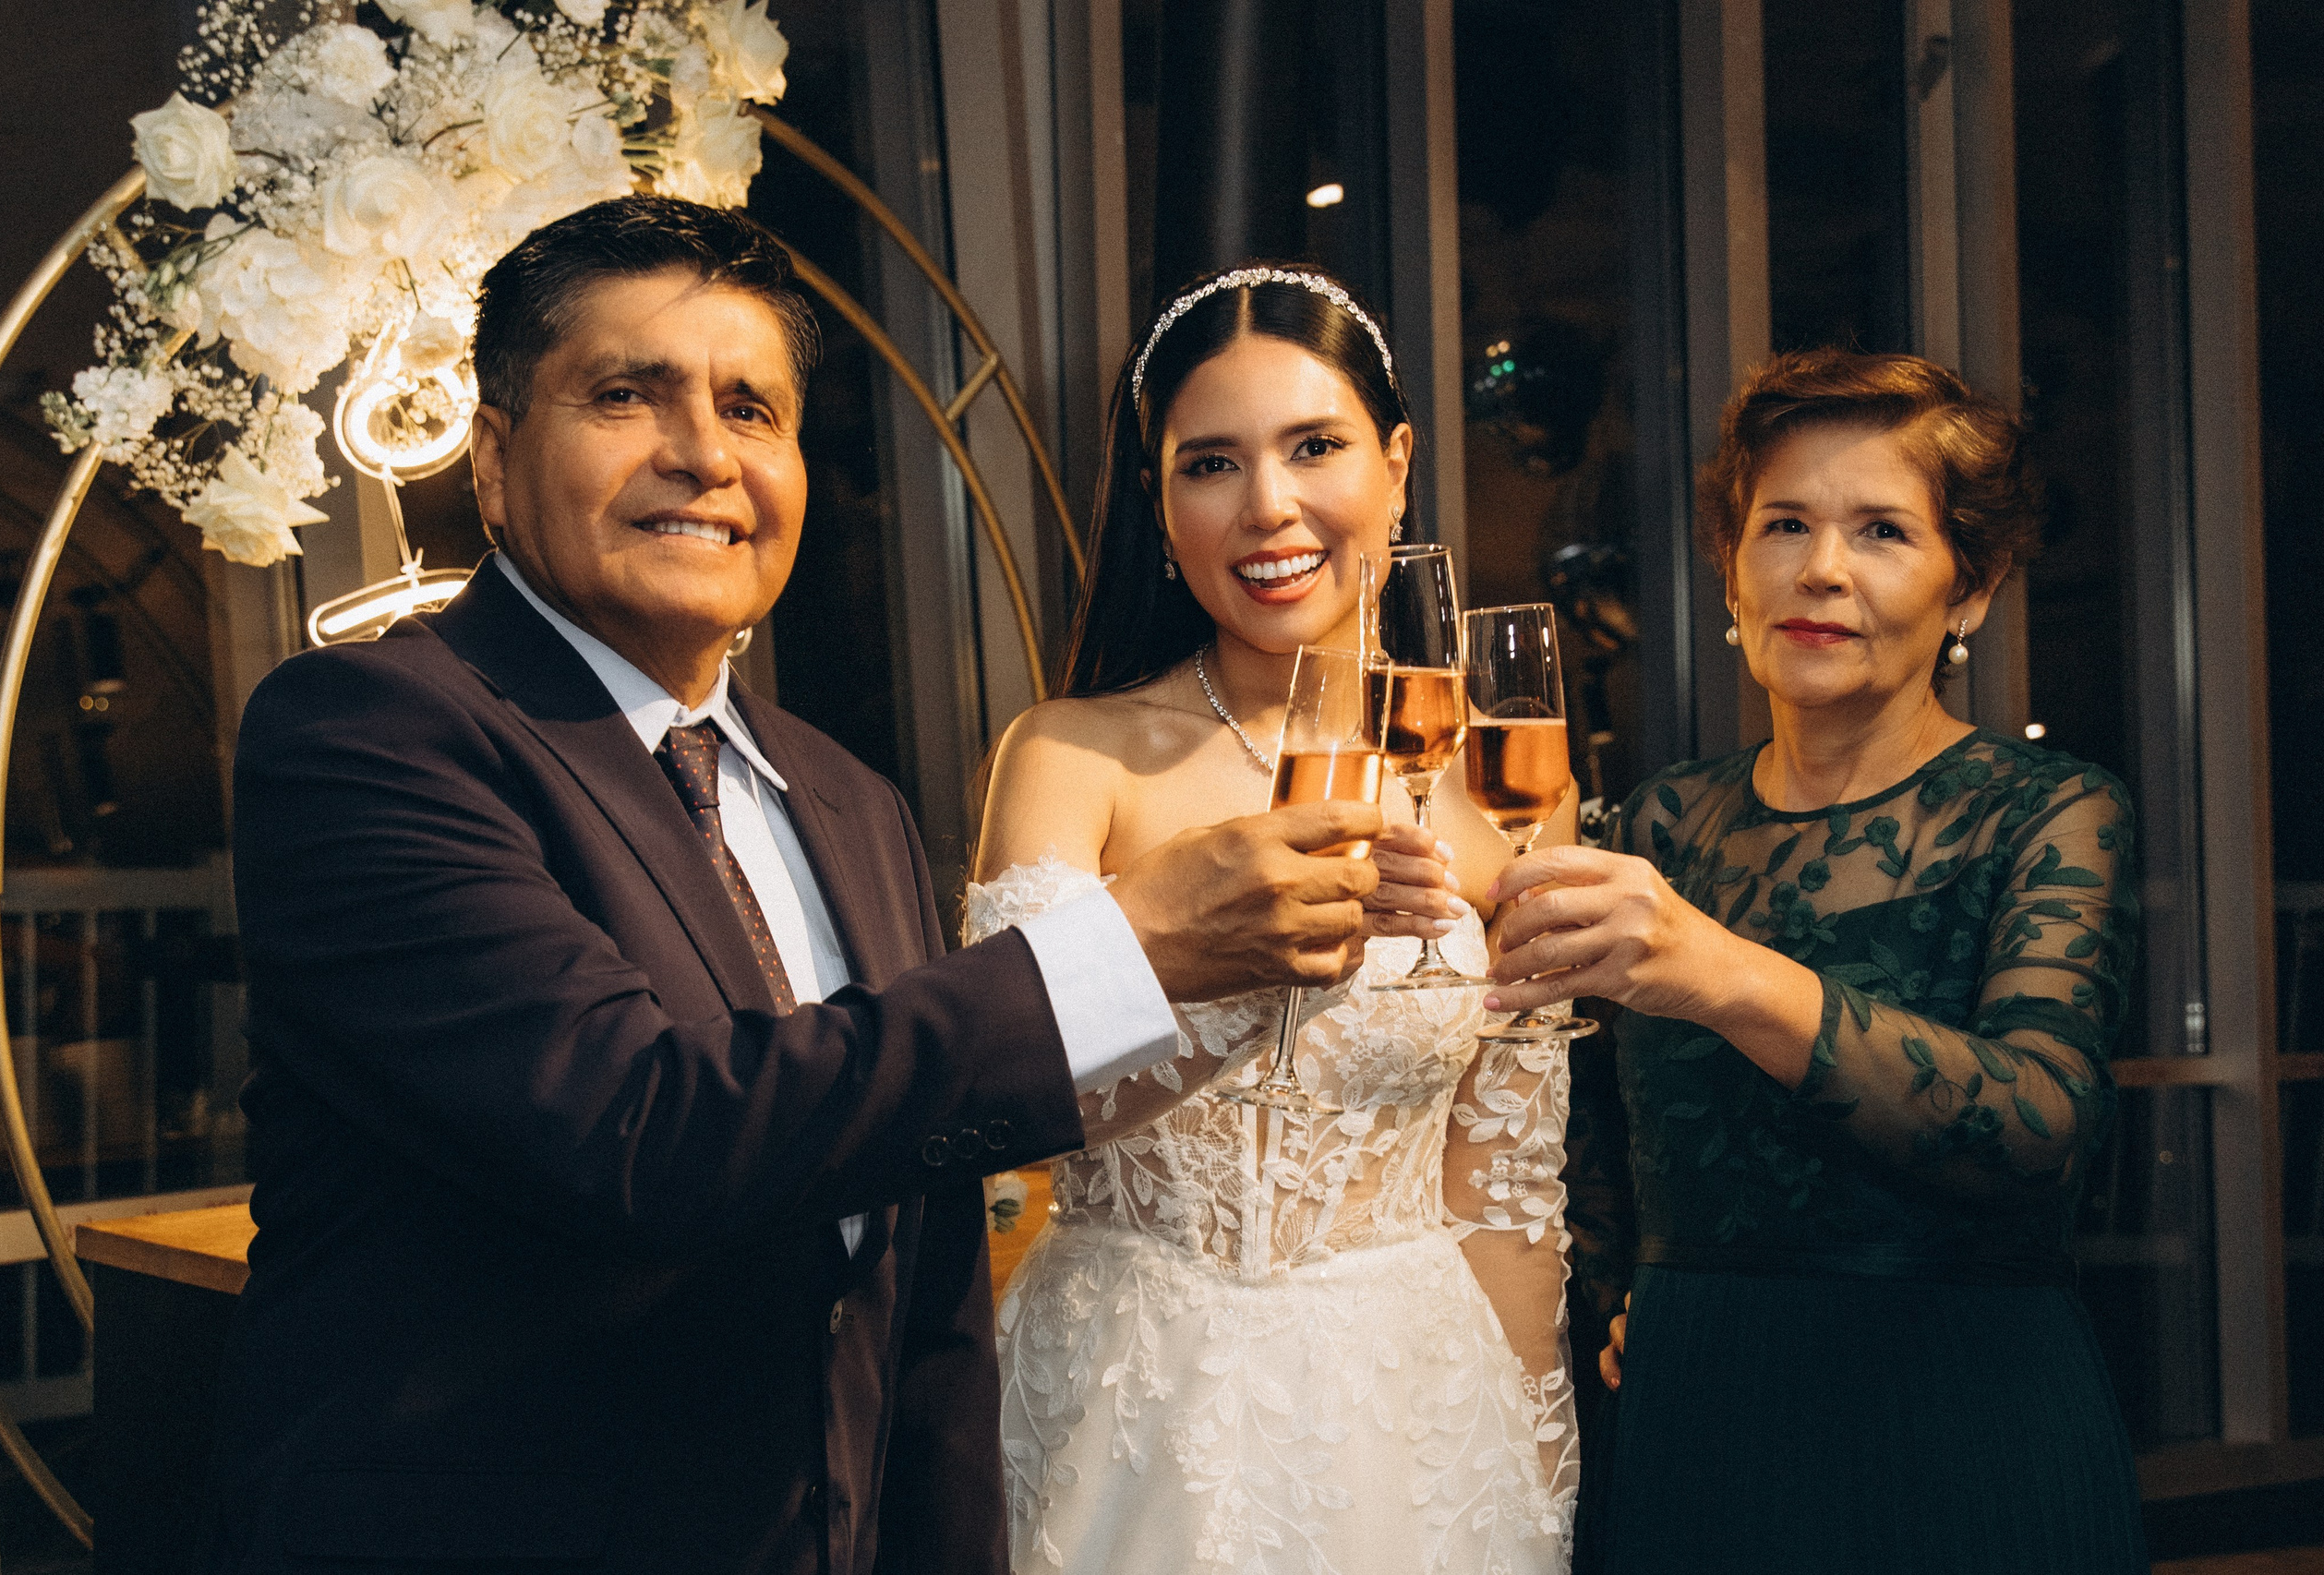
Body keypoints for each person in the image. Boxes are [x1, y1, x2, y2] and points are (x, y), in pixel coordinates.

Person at [200, 199, 1391, 1575]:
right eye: (625, 395)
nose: (702, 453)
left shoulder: (847, 798)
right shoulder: (369, 732)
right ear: (493, 458)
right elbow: (639, 1129)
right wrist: (1132, 946)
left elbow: (920, 1272)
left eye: (751, 408)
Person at [1490, 348, 2146, 1573]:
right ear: (1732, 572)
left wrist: (1726, 972)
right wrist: (1623, 1289)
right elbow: (1563, 1123)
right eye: (1784, 523)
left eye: (1883, 531)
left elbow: (2039, 1120)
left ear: (1974, 588)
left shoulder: (2047, 813)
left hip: (1963, 1425)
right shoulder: (1659, 826)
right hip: (1700, 1432)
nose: (1823, 569)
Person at [975, 263, 1582, 1575]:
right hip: (1129, 1405)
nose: (1269, 507)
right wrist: (1253, 967)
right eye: (1211, 463)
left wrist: (1537, 1487)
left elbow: (1512, 1197)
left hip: (1416, 1420)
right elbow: (1005, 1096)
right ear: (1161, 499)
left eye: (1316, 446)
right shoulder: (1071, 756)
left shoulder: (1501, 781)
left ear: (1399, 463)